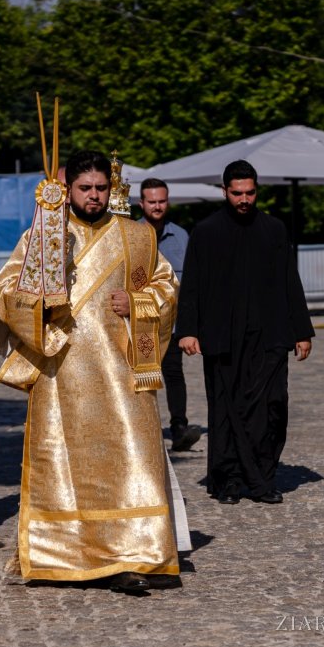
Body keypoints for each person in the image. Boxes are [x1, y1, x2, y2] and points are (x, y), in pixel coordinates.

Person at [0, 149, 185, 594]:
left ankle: (133, 554)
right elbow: (5, 288)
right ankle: (62, 553)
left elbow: (166, 286)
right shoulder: (43, 236)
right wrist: (38, 304)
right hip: (63, 372)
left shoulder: (137, 237)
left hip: (122, 376)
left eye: (100, 188)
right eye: (85, 188)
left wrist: (138, 304)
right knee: (66, 463)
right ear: (68, 188)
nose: (94, 196)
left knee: (129, 463)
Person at [176, 160, 313, 506]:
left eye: (250, 193)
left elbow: (289, 280)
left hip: (270, 335)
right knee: (226, 408)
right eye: (237, 193)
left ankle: (263, 479)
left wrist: (302, 330)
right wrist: (188, 331)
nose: (244, 199)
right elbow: (191, 285)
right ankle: (230, 481)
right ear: (225, 191)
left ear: (257, 191)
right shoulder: (206, 232)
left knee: (272, 408)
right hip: (222, 336)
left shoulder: (274, 229)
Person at [139, 177, 199, 452]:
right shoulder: (130, 233)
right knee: (140, 377)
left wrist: (190, 325)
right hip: (140, 322)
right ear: (141, 203)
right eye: (152, 201)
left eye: (162, 201)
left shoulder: (181, 236)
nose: (157, 206)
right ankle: (141, 430)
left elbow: (191, 284)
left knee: (174, 374)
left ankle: (179, 428)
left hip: (172, 323)